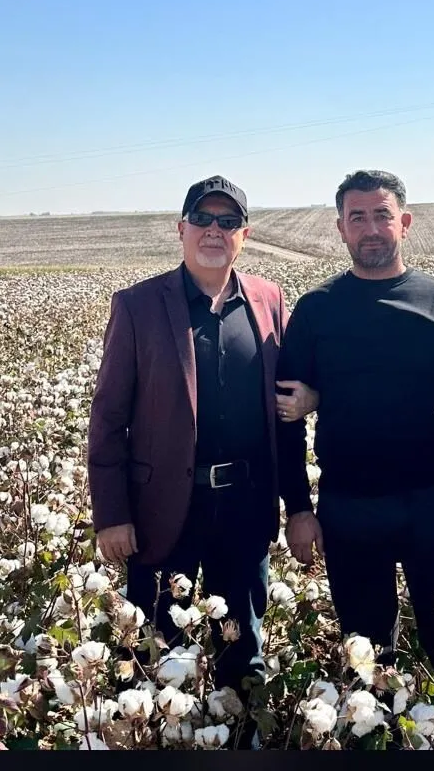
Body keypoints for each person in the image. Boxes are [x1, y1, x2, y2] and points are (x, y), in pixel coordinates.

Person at [87, 175, 309, 733]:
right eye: (203, 220)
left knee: (244, 653)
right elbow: (108, 419)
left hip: (245, 507)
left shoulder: (269, 299)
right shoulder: (137, 305)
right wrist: (112, 514)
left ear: (245, 235)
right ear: (180, 229)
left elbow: (285, 412)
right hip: (163, 512)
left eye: (228, 222)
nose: (215, 231)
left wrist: (298, 504)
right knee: (158, 655)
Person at [275, 169, 434, 737]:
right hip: (349, 508)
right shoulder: (316, 309)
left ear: (405, 222)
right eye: (358, 217)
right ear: (340, 229)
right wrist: (299, 507)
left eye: (382, 214)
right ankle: (382, 742)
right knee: (367, 651)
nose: (371, 228)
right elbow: (287, 414)